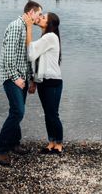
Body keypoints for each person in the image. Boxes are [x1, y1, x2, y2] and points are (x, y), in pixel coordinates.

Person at [0, 0, 42, 167]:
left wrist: (30, 79)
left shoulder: (26, 28)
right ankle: (1, 149)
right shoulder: (16, 26)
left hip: (22, 77)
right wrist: (16, 78)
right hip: (11, 77)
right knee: (18, 112)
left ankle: (14, 143)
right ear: (30, 12)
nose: (39, 18)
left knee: (15, 110)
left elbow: (26, 57)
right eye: (38, 14)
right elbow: (8, 57)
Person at [27, 12, 63, 155]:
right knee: (48, 113)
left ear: (49, 24)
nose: (40, 18)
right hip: (43, 81)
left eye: (43, 17)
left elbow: (31, 54)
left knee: (53, 114)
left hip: (53, 81)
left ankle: (59, 143)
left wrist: (29, 27)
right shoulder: (45, 37)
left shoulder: (50, 37)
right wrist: (35, 81)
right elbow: (38, 62)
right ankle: (51, 142)